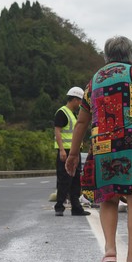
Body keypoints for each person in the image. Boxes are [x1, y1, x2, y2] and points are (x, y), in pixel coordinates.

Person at [65, 36, 132, 262]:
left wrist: (74, 153)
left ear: (107, 56)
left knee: (107, 198)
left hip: (102, 145)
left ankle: (110, 250)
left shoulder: (94, 82)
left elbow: (81, 122)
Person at [54, 87, 90, 217]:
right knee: (64, 179)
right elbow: (57, 131)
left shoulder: (73, 114)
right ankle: (59, 207)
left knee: (75, 181)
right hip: (66, 151)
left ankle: (76, 208)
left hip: (75, 151)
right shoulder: (62, 112)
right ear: (75, 99)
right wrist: (62, 150)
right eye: (80, 101)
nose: (81, 104)